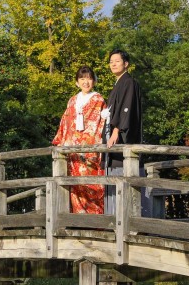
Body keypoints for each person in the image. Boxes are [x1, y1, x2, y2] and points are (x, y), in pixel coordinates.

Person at [51, 66, 107, 214]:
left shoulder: (98, 99)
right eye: (82, 79)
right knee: (74, 185)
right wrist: (62, 141)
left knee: (91, 184)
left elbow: (98, 123)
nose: (86, 82)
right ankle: (78, 219)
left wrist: (88, 142)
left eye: (89, 78)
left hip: (89, 149)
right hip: (72, 151)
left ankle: (96, 220)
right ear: (77, 82)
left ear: (94, 81)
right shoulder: (72, 100)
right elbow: (65, 121)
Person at [102, 49, 142, 215]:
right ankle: (114, 217)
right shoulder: (118, 84)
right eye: (111, 61)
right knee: (112, 177)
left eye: (117, 61)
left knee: (121, 175)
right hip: (112, 134)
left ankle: (122, 218)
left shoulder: (128, 83)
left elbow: (126, 109)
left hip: (122, 136)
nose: (113, 64)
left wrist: (116, 131)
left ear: (126, 64)